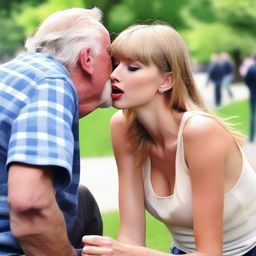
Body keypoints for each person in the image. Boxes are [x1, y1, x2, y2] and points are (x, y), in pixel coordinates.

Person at [82, 24, 256, 256]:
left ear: (166, 81)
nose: (114, 75)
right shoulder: (122, 127)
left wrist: (125, 252)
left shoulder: (200, 132)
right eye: (115, 65)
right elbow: (131, 237)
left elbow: (210, 253)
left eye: (132, 67)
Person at [0, 7, 112, 256]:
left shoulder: (14, 73)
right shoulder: (51, 83)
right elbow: (30, 206)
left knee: (82, 200)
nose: (115, 71)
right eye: (111, 57)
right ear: (87, 59)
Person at [244, 57, 256, 142]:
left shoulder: (251, 69)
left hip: (253, 94)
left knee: (252, 115)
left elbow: (246, 81)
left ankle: (251, 137)